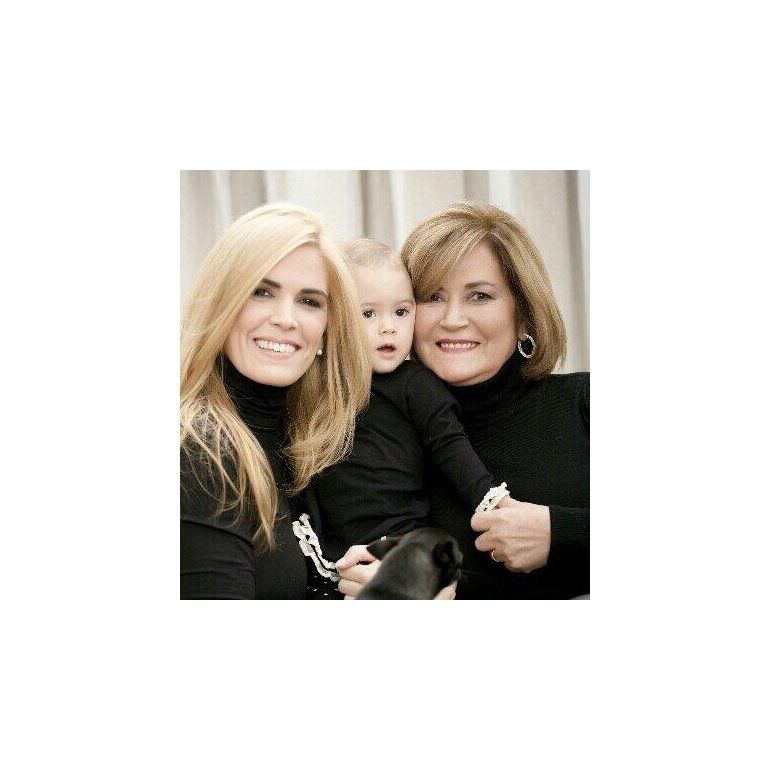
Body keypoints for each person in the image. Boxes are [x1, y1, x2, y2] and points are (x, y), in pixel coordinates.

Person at [337, 203, 589, 599]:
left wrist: (562, 533)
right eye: (433, 297)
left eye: (480, 296)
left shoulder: (586, 402)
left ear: (524, 313)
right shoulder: (364, 425)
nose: (452, 319)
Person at [300, 238, 516, 598]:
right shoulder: (315, 389)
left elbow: (451, 446)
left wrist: (494, 503)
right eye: (368, 314)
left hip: (403, 541)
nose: (389, 328)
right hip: (332, 557)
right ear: (333, 320)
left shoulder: (416, 384)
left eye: (401, 312)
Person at [180, 203, 370, 599]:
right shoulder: (200, 450)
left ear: (328, 328)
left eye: (310, 301)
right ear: (222, 303)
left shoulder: (308, 444)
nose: (286, 318)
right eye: (262, 292)